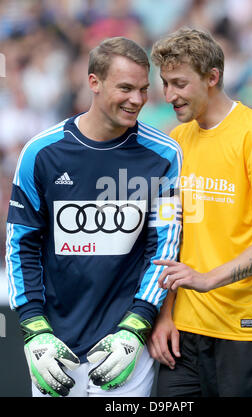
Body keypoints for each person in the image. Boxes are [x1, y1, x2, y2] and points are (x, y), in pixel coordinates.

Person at [5, 36, 182, 397]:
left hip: (125, 346)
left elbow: (165, 247)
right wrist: (34, 329)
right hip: (54, 346)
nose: (137, 100)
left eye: (143, 89)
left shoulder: (164, 155)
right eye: (126, 88)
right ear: (94, 82)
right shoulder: (40, 153)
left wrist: (137, 325)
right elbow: (19, 246)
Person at [148, 27, 252, 397]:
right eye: (165, 83)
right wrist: (165, 316)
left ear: (212, 77)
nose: (169, 96)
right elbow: (170, 237)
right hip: (185, 334)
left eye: (179, 83)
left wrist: (209, 278)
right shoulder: (176, 141)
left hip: (246, 332)